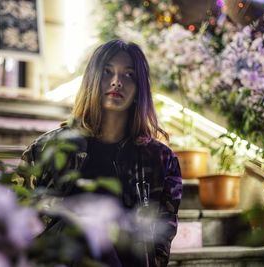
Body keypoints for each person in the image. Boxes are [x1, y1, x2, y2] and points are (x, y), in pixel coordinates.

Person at [19, 39, 182, 267]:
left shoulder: (160, 160)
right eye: (107, 72)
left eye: (128, 75)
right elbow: (20, 222)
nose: (116, 82)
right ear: (92, 81)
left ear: (139, 89)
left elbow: (160, 241)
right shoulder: (48, 149)